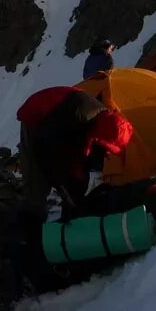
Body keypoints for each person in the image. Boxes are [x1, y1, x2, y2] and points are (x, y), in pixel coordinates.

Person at [16, 86, 133, 225]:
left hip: (59, 126)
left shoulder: (97, 121)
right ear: (105, 137)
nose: (107, 152)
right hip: (37, 117)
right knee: (36, 183)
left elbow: (79, 157)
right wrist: (59, 184)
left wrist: (75, 193)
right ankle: (30, 231)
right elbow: (44, 149)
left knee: (76, 178)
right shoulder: (79, 115)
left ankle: (66, 219)